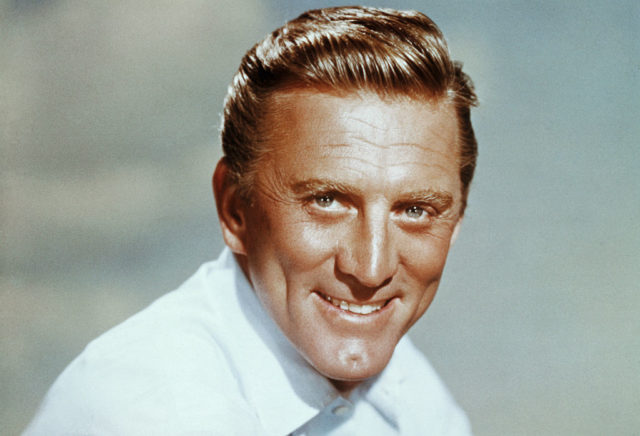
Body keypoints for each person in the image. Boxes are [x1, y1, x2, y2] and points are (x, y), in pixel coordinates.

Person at [25, 6, 478, 435]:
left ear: (456, 221)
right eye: (326, 200)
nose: (371, 268)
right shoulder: (152, 410)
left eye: (415, 210)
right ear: (234, 209)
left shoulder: (412, 391)